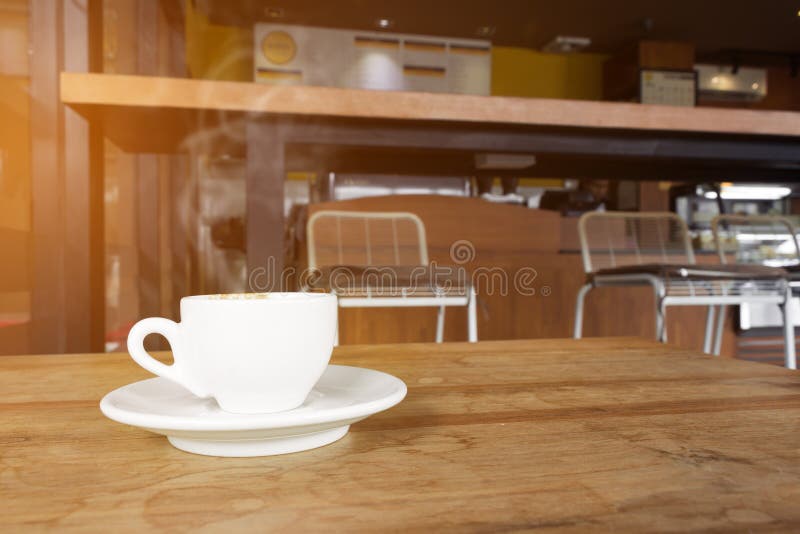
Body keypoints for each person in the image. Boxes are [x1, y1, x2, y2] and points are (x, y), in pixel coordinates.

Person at [539, 179, 610, 215]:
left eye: (604, 186)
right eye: (597, 186)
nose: (601, 190)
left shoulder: (610, 206)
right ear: (585, 184)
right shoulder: (565, 203)